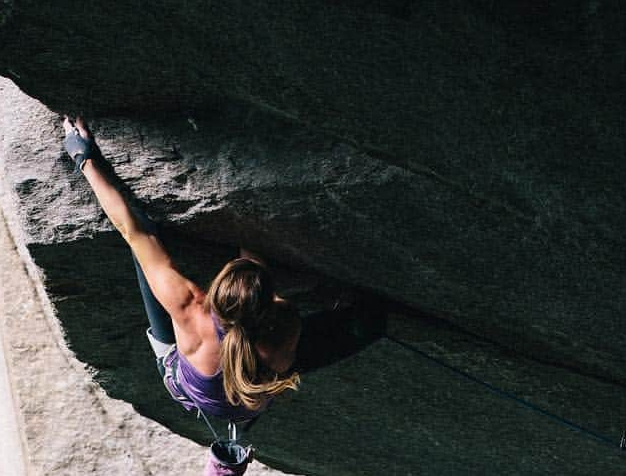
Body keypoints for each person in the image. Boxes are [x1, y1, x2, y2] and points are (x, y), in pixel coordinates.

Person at [61, 116, 384, 430]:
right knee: (369, 322)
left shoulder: (190, 307)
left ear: (215, 294)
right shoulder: (283, 328)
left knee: (144, 241)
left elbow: (133, 231)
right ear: (270, 301)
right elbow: (254, 255)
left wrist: (84, 158)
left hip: (203, 392)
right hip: (250, 391)